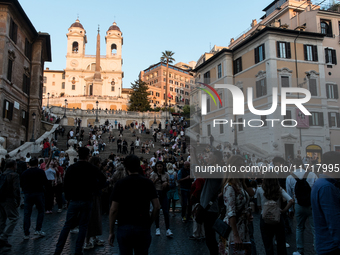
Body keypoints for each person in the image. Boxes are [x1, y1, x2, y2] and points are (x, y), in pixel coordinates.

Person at [54, 147, 106, 255]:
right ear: (88, 156)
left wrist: (68, 198)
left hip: (74, 200)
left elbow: (66, 184)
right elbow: (103, 180)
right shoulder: (92, 168)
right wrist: (94, 189)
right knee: (83, 226)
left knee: (67, 225)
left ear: (78, 155)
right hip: (87, 199)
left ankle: (57, 251)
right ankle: (78, 251)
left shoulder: (72, 168)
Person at [108, 155, 160, 254]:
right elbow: (157, 207)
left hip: (124, 226)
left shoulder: (120, 183)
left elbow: (113, 209)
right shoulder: (148, 183)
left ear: (126, 167)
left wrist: (111, 231)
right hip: (142, 225)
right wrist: (149, 223)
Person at [257, 172, 294, 255]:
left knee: (268, 244)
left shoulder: (260, 189)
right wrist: (284, 210)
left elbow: (259, 206)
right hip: (278, 217)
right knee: (281, 243)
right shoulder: (279, 189)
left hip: (264, 217)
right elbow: (291, 200)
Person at [286, 158, 318, 255]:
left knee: (299, 228)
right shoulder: (312, 175)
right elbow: (317, 191)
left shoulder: (289, 177)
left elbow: (289, 195)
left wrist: (290, 210)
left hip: (298, 205)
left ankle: (300, 250)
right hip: (311, 205)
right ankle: (317, 249)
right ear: (303, 165)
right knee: (314, 228)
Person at [311, 151, 340, 255]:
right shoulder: (327, 187)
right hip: (331, 247)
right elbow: (334, 221)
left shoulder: (320, 183)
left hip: (325, 244)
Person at [20, 157, 48, 239]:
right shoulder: (40, 172)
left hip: (28, 194)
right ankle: (38, 230)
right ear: (37, 164)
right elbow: (45, 182)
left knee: (27, 214)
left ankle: (26, 233)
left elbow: (21, 184)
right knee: (41, 211)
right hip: (38, 193)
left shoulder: (25, 173)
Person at [0, 159, 20, 248]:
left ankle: (2, 238)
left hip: (1, 199)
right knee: (14, 218)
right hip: (9, 199)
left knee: (2, 219)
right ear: (13, 166)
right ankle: (3, 237)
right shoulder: (14, 175)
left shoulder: (2, 174)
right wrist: (18, 200)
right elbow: (16, 189)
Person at [150, 161, 173, 237]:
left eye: (160, 166)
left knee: (166, 211)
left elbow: (169, 183)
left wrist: (166, 183)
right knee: (156, 211)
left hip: (163, 193)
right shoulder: (153, 174)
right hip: (156, 193)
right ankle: (157, 228)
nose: (159, 168)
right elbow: (151, 184)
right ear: (156, 167)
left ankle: (168, 229)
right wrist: (157, 179)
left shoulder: (166, 174)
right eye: (158, 166)